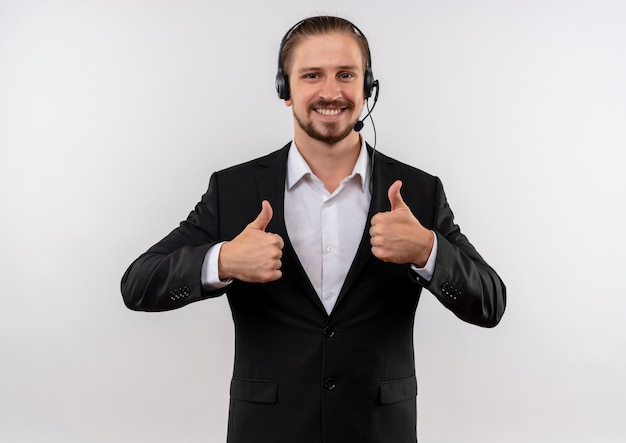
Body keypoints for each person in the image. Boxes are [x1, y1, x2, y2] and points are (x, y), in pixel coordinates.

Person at [121, 15, 506, 443]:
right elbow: (138, 285)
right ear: (285, 90)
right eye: (311, 76)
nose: (331, 92)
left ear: (367, 87)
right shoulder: (233, 190)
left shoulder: (419, 191)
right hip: (268, 432)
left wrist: (428, 251)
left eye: (346, 74)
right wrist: (223, 260)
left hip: (379, 433)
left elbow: (490, 303)